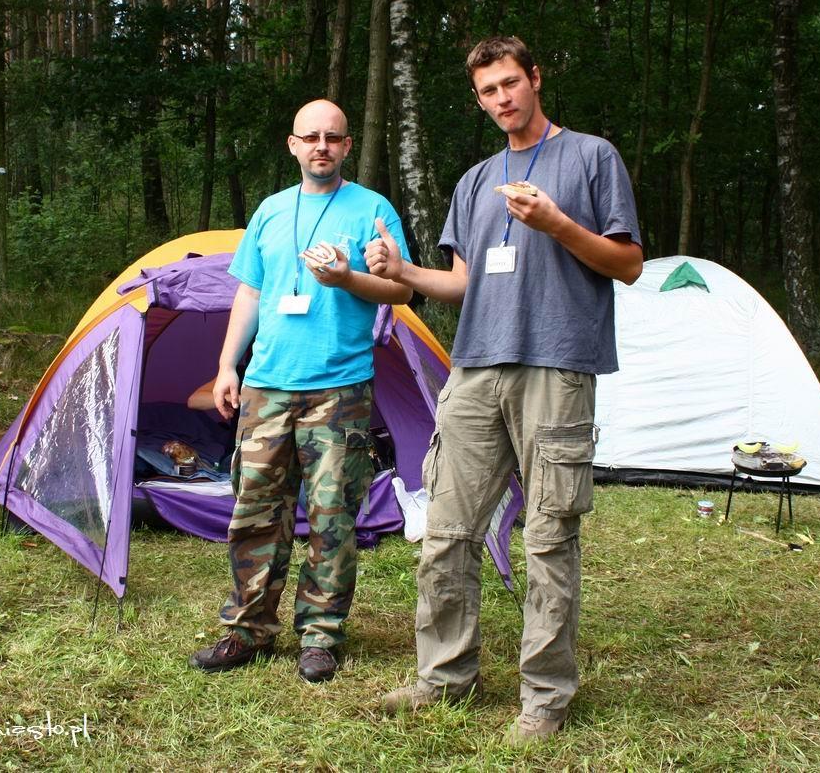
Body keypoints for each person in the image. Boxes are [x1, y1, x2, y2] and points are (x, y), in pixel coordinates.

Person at [367, 36, 642, 744]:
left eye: (511, 83)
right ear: (478, 99)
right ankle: (443, 676)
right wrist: (402, 272)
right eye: (488, 91)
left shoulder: (591, 158)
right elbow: (461, 284)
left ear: (535, 78)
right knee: (445, 530)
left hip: (557, 366)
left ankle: (544, 698)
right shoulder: (476, 180)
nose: (502, 99)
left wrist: (557, 223)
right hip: (475, 369)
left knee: (549, 535)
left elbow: (628, 264)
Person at [188, 99, 412, 683]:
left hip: (339, 389)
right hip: (266, 387)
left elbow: (401, 291)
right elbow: (249, 293)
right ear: (293, 145)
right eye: (310, 137)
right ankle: (247, 629)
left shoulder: (374, 210)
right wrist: (227, 365)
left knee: (332, 517)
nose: (321, 147)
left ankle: (320, 634)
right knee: (255, 512)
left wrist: (349, 277)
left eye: (332, 138)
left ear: (347, 145)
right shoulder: (269, 211)